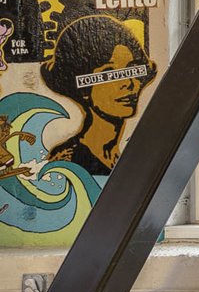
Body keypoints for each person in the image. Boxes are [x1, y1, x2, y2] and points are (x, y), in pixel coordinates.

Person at [43, 14, 157, 177]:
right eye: (109, 73)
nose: (129, 83)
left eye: (131, 69)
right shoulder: (68, 162)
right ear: (83, 90)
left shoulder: (122, 156)